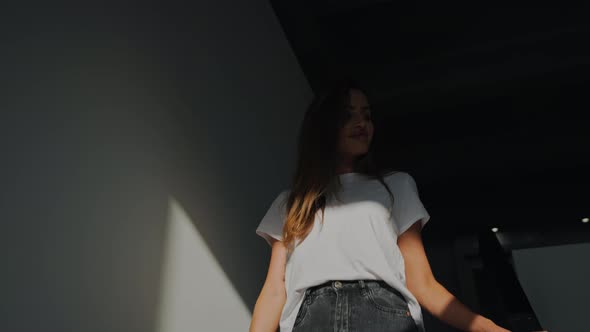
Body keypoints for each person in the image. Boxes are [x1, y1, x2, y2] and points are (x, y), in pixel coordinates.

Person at [249, 79, 510, 332]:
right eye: (348, 115)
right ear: (324, 125)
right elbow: (274, 290)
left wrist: (487, 328)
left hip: (383, 314)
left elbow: (422, 283)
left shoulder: (396, 186)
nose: (361, 123)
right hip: (311, 319)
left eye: (367, 115)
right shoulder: (291, 203)